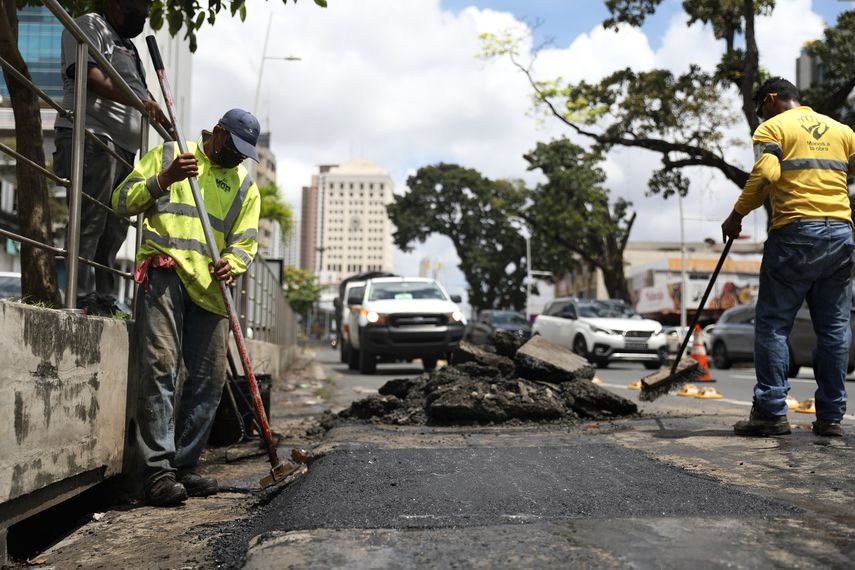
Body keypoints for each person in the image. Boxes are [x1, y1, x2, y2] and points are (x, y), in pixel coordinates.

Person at [112, 109, 261, 507]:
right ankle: (157, 472)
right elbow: (122, 201)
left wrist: (234, 262)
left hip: (212, 290)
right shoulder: (170, 156)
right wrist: (165, 180)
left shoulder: (246, 187)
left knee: (208, 382)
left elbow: (246, 243)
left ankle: (185, 464)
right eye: (234, 148)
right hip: (166, 272)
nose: (238, 158)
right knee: (160, 366)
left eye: (245, 154)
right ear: (216, 134)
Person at [722, 77, 855, 438]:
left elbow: (767, 172)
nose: (759, 115)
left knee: (773, 325)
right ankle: (830, 418)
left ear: (771, 99)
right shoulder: (841, 130)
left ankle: (770, 412)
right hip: (841, 236)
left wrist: (737, 215)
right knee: (833, 330)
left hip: (796, 234)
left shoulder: (773, 128)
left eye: (758, 108)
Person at [53, 0, 167, 315]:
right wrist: (140, 101)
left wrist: (158, 112)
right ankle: (80, 295)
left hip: (125, 148)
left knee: (114, 227)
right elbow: (86, 73)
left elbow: (140, 92)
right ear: (117, 5)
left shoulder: (128, 46)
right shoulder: (91, 25)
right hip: (92, 136)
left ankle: (103, 299)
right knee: (90, 219)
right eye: (140, 11)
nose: (144, 16)